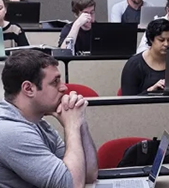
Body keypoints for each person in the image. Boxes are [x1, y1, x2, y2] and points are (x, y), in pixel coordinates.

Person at [0, 50, 98, 187]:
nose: (64, 87)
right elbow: (73, 185)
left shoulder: (39, 124)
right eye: (55, 82)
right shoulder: (10, 131)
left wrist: (80, 122)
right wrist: (72, 126)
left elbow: (88, 174)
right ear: (28, 89)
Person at [121, 19, 169, 95]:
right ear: (151, 40)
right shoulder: (134, 65)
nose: (166, 44)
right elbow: (127, 102)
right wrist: (150, 91)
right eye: (161, 40)